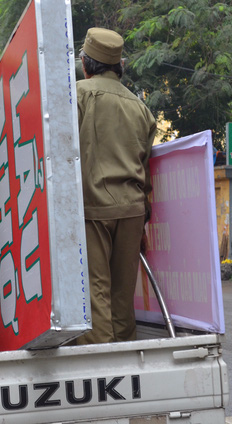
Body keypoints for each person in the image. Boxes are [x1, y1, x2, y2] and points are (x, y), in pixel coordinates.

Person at [76, 28, 157, 345]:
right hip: (132, 210)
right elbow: (146, 168)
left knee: (96, 294)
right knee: (123, 298)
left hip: (92, 208)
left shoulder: (79, 95)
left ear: (85, 64)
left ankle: (101, 374)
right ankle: (126, 366)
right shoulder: (141, 108)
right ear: (120, 65)